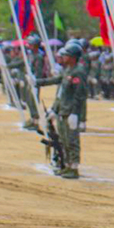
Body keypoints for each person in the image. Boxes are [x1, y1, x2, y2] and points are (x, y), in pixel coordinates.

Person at [35, 43, 86, 179]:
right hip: (63, 111)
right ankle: (67, 165)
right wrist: (37, 82)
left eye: (66, 55)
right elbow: (56, 82)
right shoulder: (67, 71)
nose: (63, 57)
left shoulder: (78, 72)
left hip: (70, 112)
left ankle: (74, 168)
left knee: (72, 140)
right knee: (64, 140)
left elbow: (79, 94)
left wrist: (75, 113)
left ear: (73, 57)